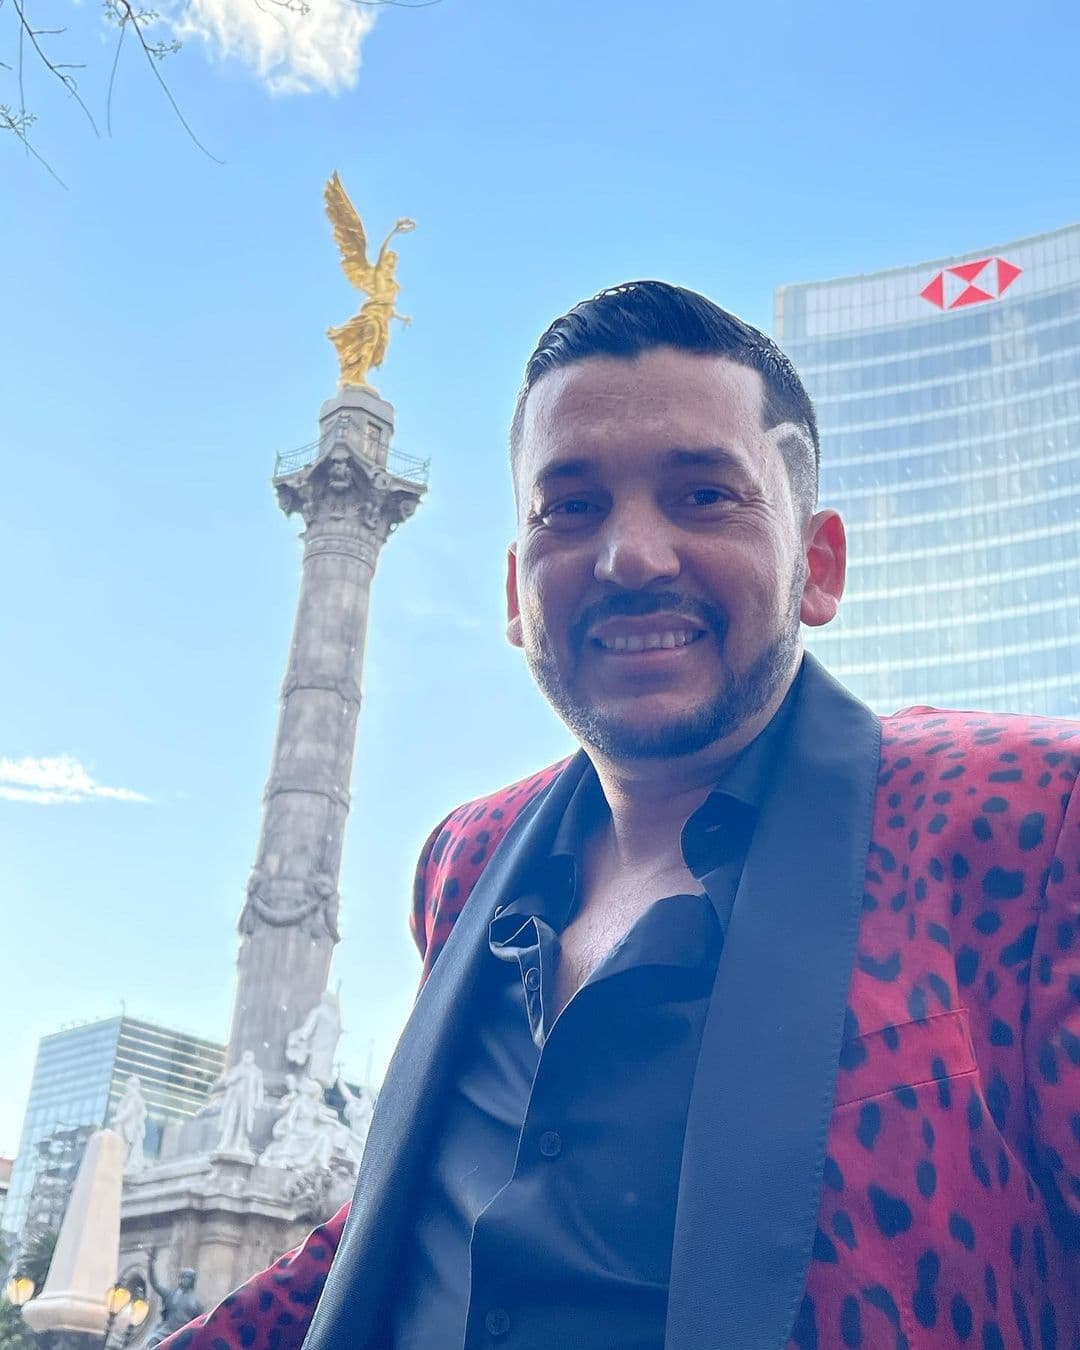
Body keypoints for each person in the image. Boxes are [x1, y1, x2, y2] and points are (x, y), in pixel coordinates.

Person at [160, 282, 1079, 1350]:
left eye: (704, 495)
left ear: (818, 567)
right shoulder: (463, 860)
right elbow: (398, 1228)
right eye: (571, 507)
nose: (631, 555)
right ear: (516, 590)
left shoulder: (1028, 819)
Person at [146, 1251, 204, 1349]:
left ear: (192, 1281)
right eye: (184, 1277)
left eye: (189, 1278)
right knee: (153, 1341)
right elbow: (155, 1284)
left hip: (182, 1334)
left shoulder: (197, 1304)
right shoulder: (170, 1295)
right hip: (165, 1331)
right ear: (181, 1279)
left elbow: (199, 1323)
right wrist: (150, 1265)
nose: (186, 1280)